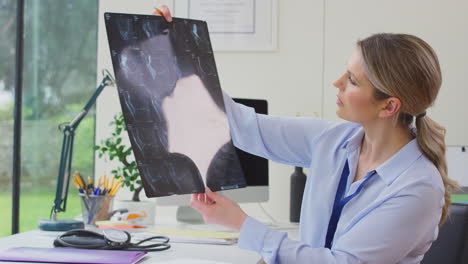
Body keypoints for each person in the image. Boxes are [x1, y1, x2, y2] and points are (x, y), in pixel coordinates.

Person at [154, 6, 458, 263]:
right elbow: (245, 128)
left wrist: (241, 224)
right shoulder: (336, 140)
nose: (337, 83)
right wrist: (182, 52)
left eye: (352, 80)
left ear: (389, 106)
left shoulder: (418, 188)